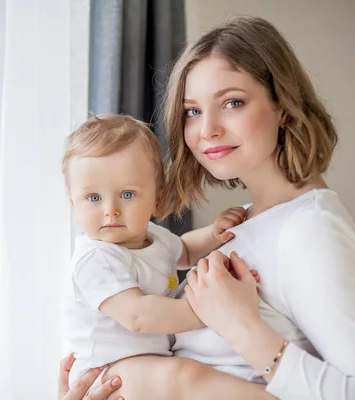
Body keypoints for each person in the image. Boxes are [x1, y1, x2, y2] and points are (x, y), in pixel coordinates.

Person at [60, 16, 355, 400]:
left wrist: (241, 326)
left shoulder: (311, 230)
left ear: (283, 106)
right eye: (192, 111)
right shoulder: (248, 221)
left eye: (232, 102)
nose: (207, 129)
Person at [61, 114, 258, 392]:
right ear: (74, 204)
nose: (110, 209)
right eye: (93, 198)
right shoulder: (96, 258)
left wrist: (214, 234)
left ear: (158, 199)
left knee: (187, 377)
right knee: (184, 376)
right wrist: (211, 310)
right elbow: (137, 316)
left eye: (127, 194)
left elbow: (186, 250)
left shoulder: (154, 238)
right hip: (105, 373)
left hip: (144, 364)